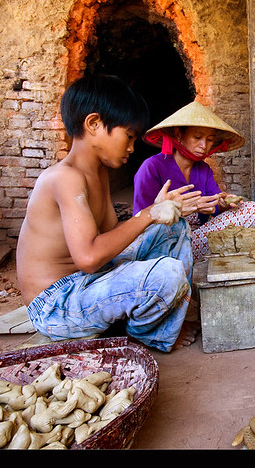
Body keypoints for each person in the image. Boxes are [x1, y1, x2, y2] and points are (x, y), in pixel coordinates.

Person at [17, 74, 205, 352]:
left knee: (175, 228)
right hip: (57, 303)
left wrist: (163, 212)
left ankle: (157, 325)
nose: (131, 147)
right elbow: (90, 258)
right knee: (167, 274)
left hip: (87, 283)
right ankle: (146, 333)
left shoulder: (98, 173)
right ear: (93, 124)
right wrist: (149, 214)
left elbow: (111, 241)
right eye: (128, 136)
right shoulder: (64, 178)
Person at [133, 100, 255, 261]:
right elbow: (141, 224)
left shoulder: (203, 169)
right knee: (253, 210)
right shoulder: (151, 167)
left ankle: (231, 264)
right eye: (198, 137)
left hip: (199, 236)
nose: (204, 145)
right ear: (179, 134)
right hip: (169, 246)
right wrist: (183, 209)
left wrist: (222, 205)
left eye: (209, 140)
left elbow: (214, 206)